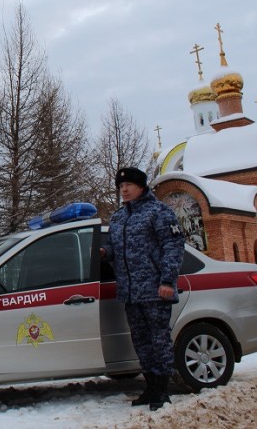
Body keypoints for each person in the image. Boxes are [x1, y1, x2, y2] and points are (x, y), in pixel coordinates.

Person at [102, 167, 184, 411]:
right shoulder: (118, 218)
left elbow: (173, 246)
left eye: (129, 185)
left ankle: (162, 390)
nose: (124, 190)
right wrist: (105, 253)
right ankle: (150, 387)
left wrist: (167, 281)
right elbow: (116, 250)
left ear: (142, 186)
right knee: (141, 342)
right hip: (129, 292)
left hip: (155, 291)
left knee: (159, 340)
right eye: (121, 186)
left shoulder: (158, 212)